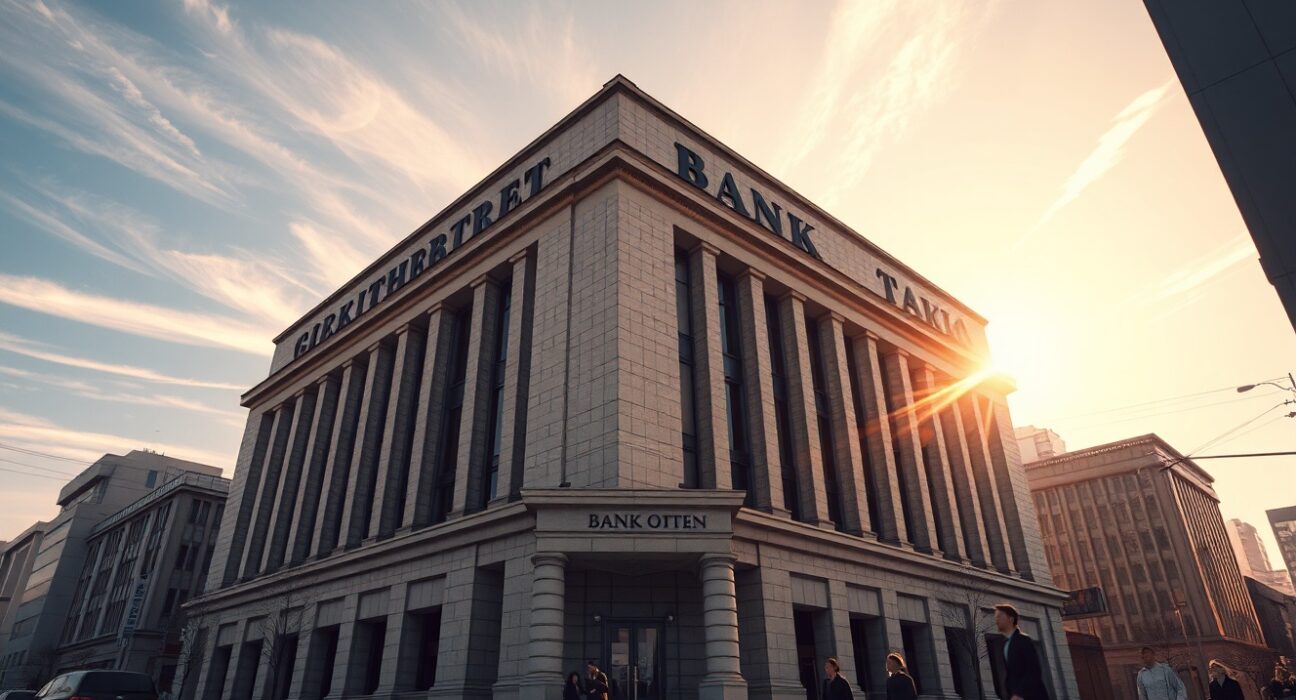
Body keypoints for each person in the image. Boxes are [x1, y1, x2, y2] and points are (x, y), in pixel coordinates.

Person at [994, 603, 1050, 700]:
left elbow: (1033, 671)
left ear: (1010, 619)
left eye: (999, 617)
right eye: (996, 617)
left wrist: (1020, 694)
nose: (996, 620)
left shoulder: (1023, 640)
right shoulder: (1006, 644)